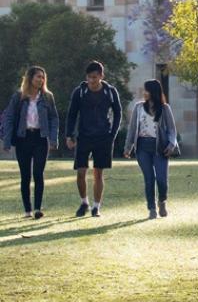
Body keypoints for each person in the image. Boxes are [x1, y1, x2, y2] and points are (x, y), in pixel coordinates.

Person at [65, 61, 123, 218]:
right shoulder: (80, 92)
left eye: (95, 77)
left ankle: (96, 207)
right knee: (80, 172)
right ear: (86, 77)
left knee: (98, 173)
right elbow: (72, 114)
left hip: (103, 137)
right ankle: (84, 203)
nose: (92, 80)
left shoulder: (110, 92)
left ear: (101, 76)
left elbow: (118, 113)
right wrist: (69, 135)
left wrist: (112, 134)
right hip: (83, 136)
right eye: (89, 77)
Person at [1, 66, 60, 219]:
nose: (41, 80)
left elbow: (54, 118)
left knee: (38, 174)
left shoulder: (47, 97)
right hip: (23, 139)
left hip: (40, 139)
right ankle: (27, 210)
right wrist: (7, 141)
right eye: (38, 77)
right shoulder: (18, 97)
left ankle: (38, 209)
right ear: (30, 78)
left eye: (42, 77)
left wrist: (53, 138)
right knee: (25, 175)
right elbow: (8, 117)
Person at [122, 79, 179, 219]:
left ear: (153, 92)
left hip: (160, 148)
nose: (144, 93)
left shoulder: (165, 109)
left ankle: (162, 201)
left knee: (161, 179)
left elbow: (172, 130)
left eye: (146, 90)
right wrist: (127, 147)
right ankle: (152, 208)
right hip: (142, 147)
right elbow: (133, 129)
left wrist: (171, 145)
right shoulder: (138, 107)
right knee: (149, 179)